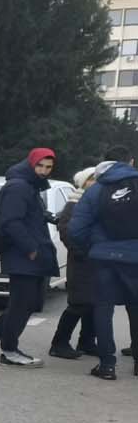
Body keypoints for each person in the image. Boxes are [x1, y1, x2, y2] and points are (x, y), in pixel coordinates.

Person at [0, 148, 59, 368]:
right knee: (23, 304)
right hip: (23, 256)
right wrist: (31, 249)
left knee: (24, 303)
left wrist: (49, 218)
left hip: (27, 255)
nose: (43, 171)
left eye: (48, 167)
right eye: (40, 166)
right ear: (31, 164)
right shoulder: (19, 186)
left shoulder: (28, 185)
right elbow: (11, 222)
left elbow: (27, 215)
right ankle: (10, 350)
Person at [68, 145, 138, 380]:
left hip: (103, 258)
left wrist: (90, 248)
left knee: (103, 309)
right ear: (131, 162)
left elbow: (76, 229)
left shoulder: (96, 190)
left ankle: (107, 365)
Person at [47, 166, 102, 360]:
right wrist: (82, 252)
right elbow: (66, 230)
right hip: (81, 263)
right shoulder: (74, 203)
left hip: (97, 262)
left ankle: (87, 341)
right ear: (83, 182)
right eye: (91, 179)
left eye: (98, 179)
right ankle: (59, 343)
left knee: (95, 304)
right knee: (78, 304)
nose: (95, 183)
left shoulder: (97, 201)